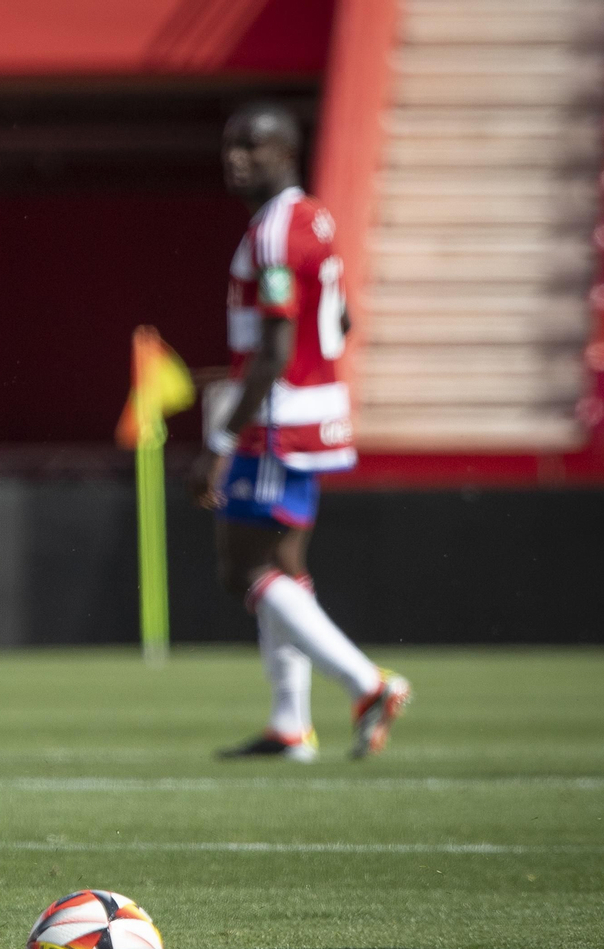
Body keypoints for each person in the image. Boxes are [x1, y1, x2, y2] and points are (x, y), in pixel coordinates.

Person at [188, 102, 411, 763]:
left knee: (242, 569)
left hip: (276, 420)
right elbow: (339, 323)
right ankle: (291, 726)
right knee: (284, 568)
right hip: (318, 413)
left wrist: (220, 442)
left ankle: (367, 684)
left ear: (285, 154)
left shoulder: (273, 232)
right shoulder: (316, 217)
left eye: (251, 147)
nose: (235, 159)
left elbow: (275, 349)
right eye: (231, 145)